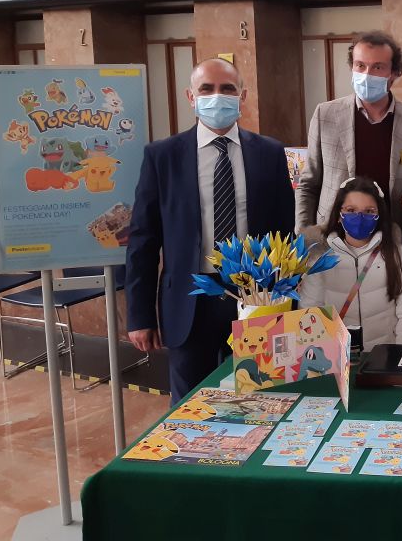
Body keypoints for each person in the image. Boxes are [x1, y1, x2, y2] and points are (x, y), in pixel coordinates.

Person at [125, 58, 295, 401]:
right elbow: (143, 240)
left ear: (242, 96)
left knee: (260, 399)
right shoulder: (163, 156)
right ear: (191, 97)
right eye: (207, 89)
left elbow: (284, 233)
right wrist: (139, 315)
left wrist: (285, 298)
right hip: (188, 301)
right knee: (191, 406)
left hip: (255, 298)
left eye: (227, 89)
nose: (217, 96)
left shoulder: (270, 153)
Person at [296, 31, 402, 240]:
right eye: (360, 65)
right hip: (332, 235)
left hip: (391, 236)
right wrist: (304, 234)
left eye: (378, 67)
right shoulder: (325, 115)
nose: (367, 74)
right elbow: (308, 184)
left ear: (394, 73)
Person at [299, 177, 402, 351]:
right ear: (339, 215)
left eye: (369, 211)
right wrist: (317, 356)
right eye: (351, 210)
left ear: (379, 215)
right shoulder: (320, 256)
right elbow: (310, 309)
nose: (360, 217)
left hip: (384, 354)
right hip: (336, 355)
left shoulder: (396, 253)